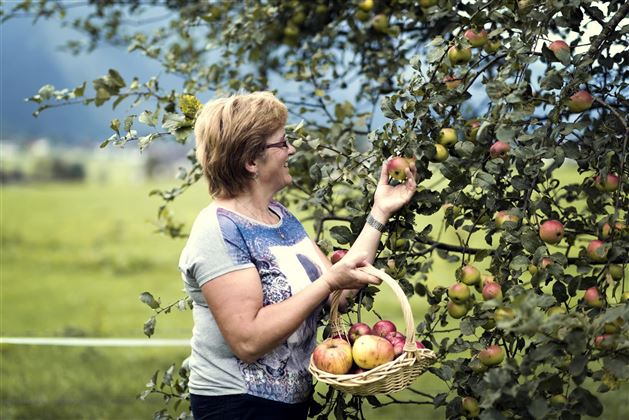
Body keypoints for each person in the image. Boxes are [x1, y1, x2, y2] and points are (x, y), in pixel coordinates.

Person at [178, 91, 417, 419]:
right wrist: (327, 282)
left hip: (289, 405)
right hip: (238, 407)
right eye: (282, 142)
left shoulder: (280, 217)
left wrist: (381, 209)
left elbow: (341, 291)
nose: (291, 149)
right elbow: (247, 340)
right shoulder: (217, 231)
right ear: (251, 161)